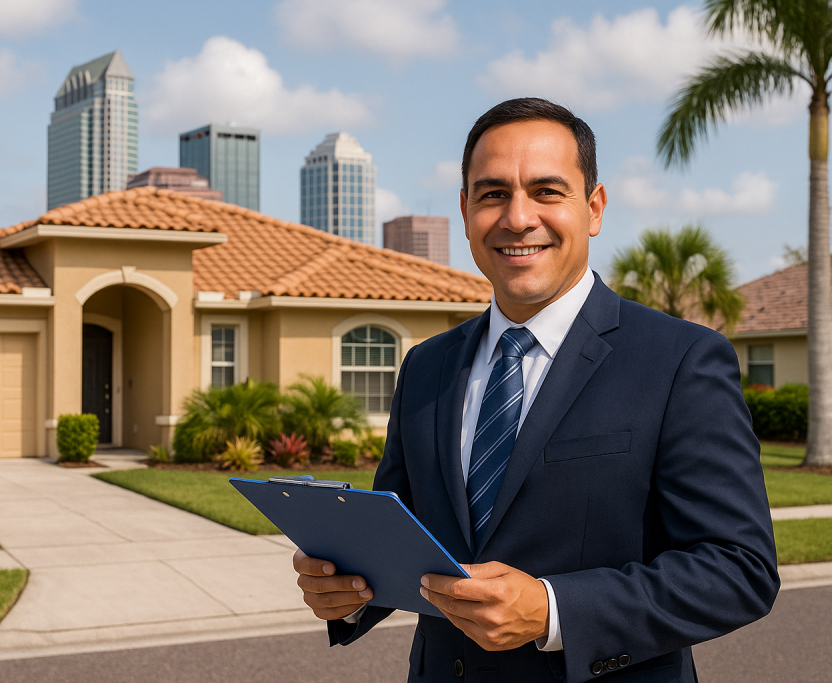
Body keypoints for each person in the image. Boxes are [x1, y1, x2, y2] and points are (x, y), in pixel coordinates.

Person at [292, 98, 779, 682]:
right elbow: (406, 538)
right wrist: (346, 590)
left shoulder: (680, 360)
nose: (518, 218)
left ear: (593, 208)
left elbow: (739, 569)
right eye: (493, 194)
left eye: (547, 191)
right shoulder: (426, 366)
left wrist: (553, 610)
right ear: (466, 210)